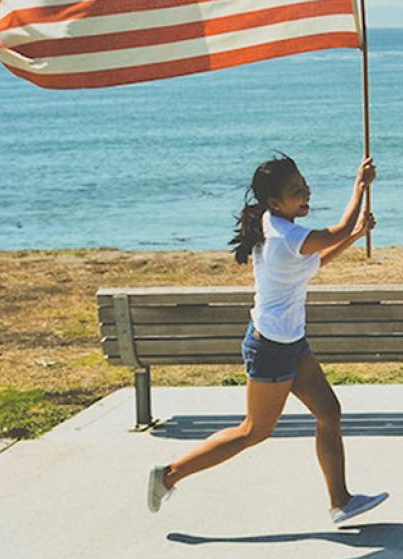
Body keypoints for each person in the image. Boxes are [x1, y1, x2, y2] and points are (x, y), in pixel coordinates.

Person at [146, 154, 387, 523]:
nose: (305, 193)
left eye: (304, 184)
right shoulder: (285, 234)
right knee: (253, 432)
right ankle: (168, 475)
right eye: (296, 191)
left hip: (291, 342)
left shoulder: (276, 224)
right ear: (275, 202)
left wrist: (355, 236)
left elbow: (316, 260)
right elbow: (335, 231)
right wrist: (360, 186)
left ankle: (341, 501)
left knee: (329, 413)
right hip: (271, 348)